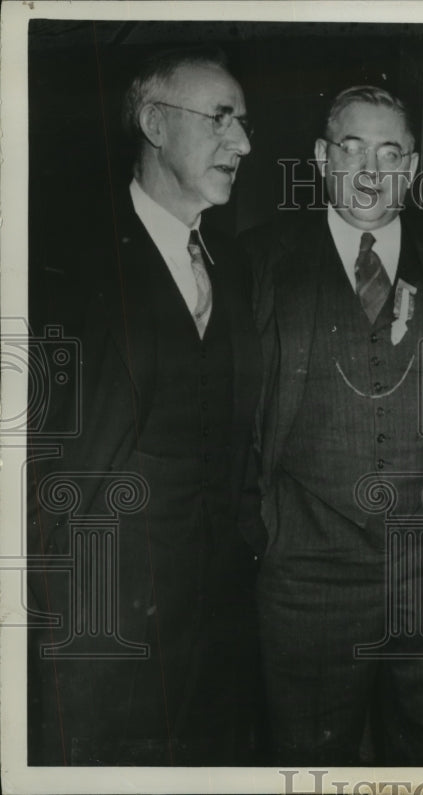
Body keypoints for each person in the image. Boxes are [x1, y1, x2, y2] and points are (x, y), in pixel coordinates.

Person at [243, 85, 423, 765]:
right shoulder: (259, 260)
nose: (370, 171)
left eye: (389, 152)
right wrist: (264, 525)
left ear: (413, 167)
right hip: (307, 572)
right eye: (351, 148)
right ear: (319, 157)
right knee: (306, 760)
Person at [27, 47, 263, 765]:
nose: (244, 144)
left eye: (245, 123)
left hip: (214, 627)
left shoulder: (236, 264)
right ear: (155, 123)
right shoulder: (62, 261)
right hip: (102, 629)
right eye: (221, 119)